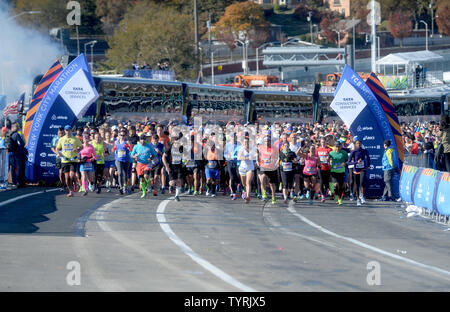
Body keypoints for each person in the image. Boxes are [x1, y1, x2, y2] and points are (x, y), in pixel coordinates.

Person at [56, 125, 83, 197]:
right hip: (64, 160)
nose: (68, 132)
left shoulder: (75, 139)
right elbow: (57, 148)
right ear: (64, 131)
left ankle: (76, 183)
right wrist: (58, 154)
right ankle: (71, 191)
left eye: (69, 130)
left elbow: (81, 147)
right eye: (66, 130)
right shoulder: (61, 139)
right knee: (67, 178)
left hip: (73, 160)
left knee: (72, 175)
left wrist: (77, 150)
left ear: (71, 131)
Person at [348, 140, 370, 206]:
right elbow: (349, 162)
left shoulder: (365, 151)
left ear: (361, 144)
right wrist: (356, 162)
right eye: (357, 143)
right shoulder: (353, 152)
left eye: (360, 143)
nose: (359, 144)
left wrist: (368, 164)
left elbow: (368, 158)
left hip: (363, 168)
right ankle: (358, 199)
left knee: (362, 182)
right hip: (356, 169)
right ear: (355, 144)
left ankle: (362, 196)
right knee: (357, 184)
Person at [163, 132, 184, 201]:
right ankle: (171, 186)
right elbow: (163, 157)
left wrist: (185, 163)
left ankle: (177, 196)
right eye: (176, 139)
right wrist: (167, 167)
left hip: (179, 166)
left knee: (178, 181)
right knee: (172, 182)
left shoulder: (181, 148)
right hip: (171, 167)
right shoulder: (170, 148)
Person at [112, 129, 133, 195]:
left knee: (125, 174)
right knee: (120, 173)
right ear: (119, 135)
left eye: (123, 135)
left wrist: (128, 147)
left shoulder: (127, 142)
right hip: (118, 160)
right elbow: (114, 148)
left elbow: (131, 150)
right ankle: (121, 187)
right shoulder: (116, 141)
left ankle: (125, 186)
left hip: (126, 160)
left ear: (125, 136)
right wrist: (113, 149)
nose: (122, 136)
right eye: (121, 135)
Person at [329, 141, 348, 206]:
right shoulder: (331, 153)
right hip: (334, 171)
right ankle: (336, 195)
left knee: (340, 186)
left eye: (339, 146)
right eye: (336, 147)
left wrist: (345, 163)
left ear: (341, 146)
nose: (337, 148)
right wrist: (329, 162)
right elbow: (328, 160)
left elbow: (347, 160)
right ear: (334, 147)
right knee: (335, 185)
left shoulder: (344, 153)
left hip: (341, 171)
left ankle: (339, 199)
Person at [237, 136, 255, 204]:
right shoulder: (241, 149)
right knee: (244, 183)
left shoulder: (252, 149)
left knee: (248, 182)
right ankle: (244, 191)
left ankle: (248, 196)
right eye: (245, 142)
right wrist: (246, 157)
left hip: (250, 167)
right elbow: (239, 158)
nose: (246, 143)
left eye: (247, 142)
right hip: (242, 167)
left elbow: (254, 156)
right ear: (243, 143)